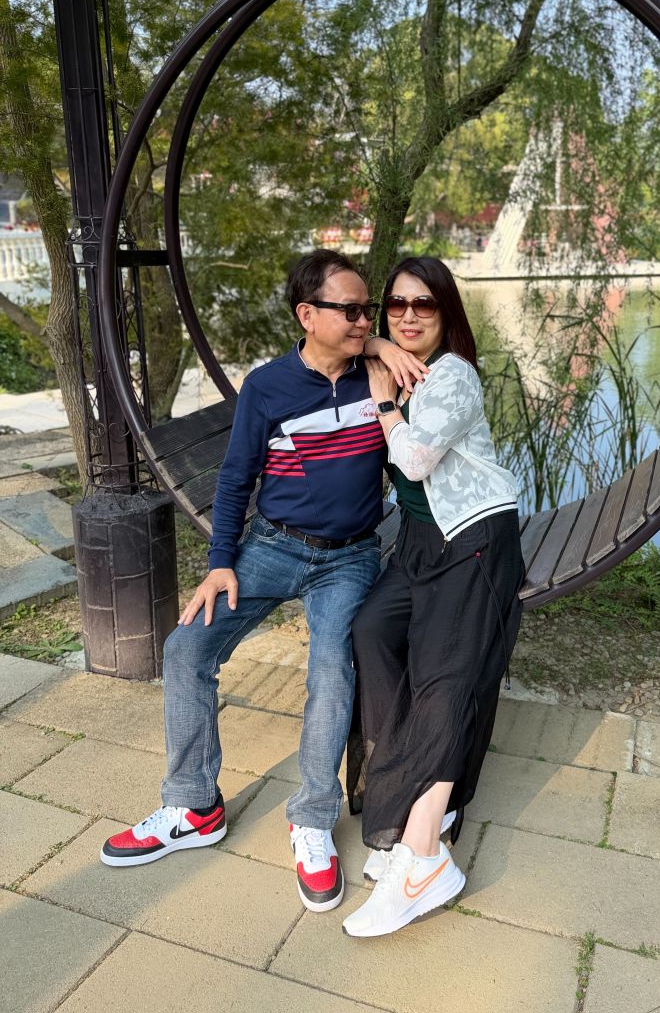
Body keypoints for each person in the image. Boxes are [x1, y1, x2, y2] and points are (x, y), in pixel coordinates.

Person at [99, 249, 424, 916]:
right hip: (271, 547)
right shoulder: (269, 386)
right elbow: (235, 477)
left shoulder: (380, 377)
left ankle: (312, 820)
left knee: (332, 668)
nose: (367, 320)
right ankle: (193, 807)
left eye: (370, 310)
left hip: (349, 559)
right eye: (352, 310)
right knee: (187, 648)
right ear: (307, 314)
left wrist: (384, 348)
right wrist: (221, 561)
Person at [343, 256, 525, 938]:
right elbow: (327, 331)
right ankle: (407, 789)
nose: (409, 315)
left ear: (447, 313)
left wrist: (386, 403)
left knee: (446, 677)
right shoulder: (392, 355)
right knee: (372, 631)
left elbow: (415, 460)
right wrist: (377, 344)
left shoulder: (454, 376)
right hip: (421, 543)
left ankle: (423, 859)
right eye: (396, 305)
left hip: (474, 538)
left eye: (424, 304)